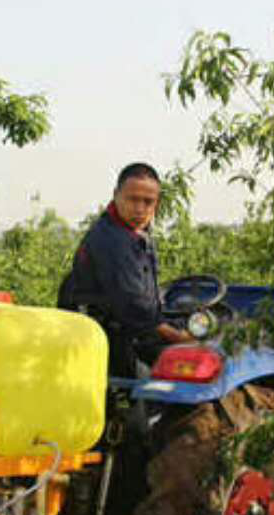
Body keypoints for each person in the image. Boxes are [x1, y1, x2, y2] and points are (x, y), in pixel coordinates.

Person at [57, 161, 190, 376]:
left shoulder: (136, 233)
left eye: (148, 202)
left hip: (129, 328)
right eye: (133, 199)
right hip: (105, 337)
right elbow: (132, 305)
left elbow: (145, 298)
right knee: (189, 362)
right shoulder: (111, 239)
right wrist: (178, 336)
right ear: (116, 195)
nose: (140, 208)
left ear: (157, 203)